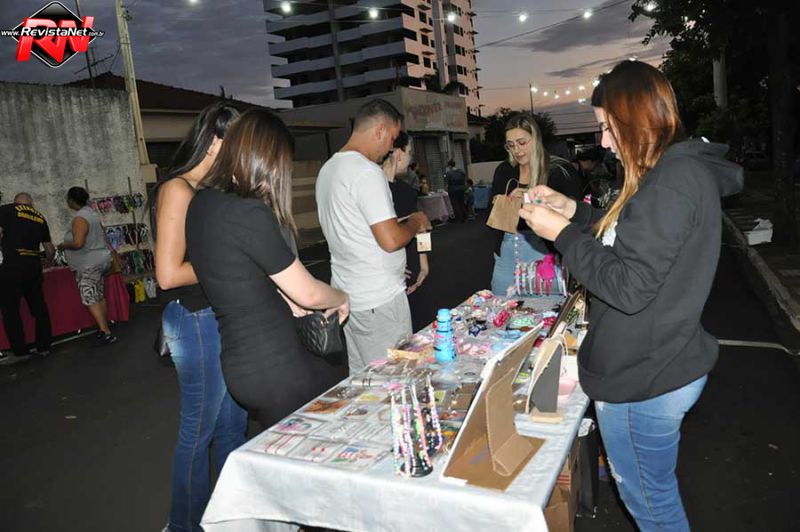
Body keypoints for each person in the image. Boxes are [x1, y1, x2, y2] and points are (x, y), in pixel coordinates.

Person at [519, 60, 743, 530]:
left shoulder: (672, 183)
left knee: (652, 505)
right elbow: (629, 240)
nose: (603, 141)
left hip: (646, 378)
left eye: (607, 127)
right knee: (652, 494)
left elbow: (628, 285)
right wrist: (574, 213)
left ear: (635, 119)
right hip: (654, 362)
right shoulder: (669, 175)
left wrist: (562, 234)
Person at [186, 109, 349, 429]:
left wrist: (285, 296)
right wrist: (341, 297)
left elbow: (241, 270)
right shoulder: (249, 212)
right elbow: (309, 293)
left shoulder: (201, 204)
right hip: (279, 366)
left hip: (240, 365)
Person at [150, 102, 247, 532]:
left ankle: (224, 517)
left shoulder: (208, 192)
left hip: (218, 316)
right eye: (237, 145)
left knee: (232, 427)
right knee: (200, 431)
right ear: (214, 141)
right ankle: (182, 525)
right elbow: (168, 274)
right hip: (194, 318)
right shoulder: (178, 189)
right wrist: (228, 260)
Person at [316, 99, 431, 374]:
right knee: (396, 378)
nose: (391, 148)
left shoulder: (328, 169)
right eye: (392, 138)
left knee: (366, 379)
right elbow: (390, 240)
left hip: (350, 296)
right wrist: (415, 222)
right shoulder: (366, 172)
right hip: (379, 300)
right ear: (380, 130)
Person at [489, 112, 578, 296]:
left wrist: (531, 200)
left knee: (545, 307)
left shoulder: (559, 171)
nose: (517, 150)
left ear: (535, 139)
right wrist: (504, 203)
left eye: (522, 143)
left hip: (545, 253)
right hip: (507, 251)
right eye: (511, 145)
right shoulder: (504, 171)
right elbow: (493, 214)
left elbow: (574, 214)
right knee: (500, 305)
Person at [0, 192, 54, 363]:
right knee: (39, 308)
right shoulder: (40, 217)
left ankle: (21, 351)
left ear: (15, 202)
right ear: (31, 204)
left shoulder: (6, 210)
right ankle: (44, 346)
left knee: (11, 311)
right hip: (33, 267)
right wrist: (47, 262)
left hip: (11, 266)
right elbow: (50, 250)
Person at [58, 187, 116, 346]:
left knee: (89, 297)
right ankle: (104, 327)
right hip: (100, 260)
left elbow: (78, 243)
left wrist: (63, 245)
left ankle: (105, 331)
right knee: (98, 296)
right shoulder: (92, 214)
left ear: (71, 201)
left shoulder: (80, 218)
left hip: (88, 264)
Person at [382, 131, 430, 296]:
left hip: (413, 273)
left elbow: (421, 228)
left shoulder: (407, 191)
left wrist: (424, 265)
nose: (410, 159)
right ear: (397, 153)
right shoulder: (376, 191)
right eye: (409, 152)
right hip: (388, 277)